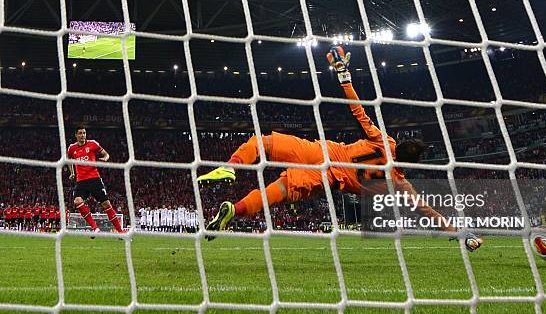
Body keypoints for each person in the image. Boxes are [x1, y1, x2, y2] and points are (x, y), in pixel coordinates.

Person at [198, 46, 482, 251]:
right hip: (327, 178)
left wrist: (343, 75)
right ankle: (234, 211)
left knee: (263, 142)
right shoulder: (400, 184)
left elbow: (358, 111)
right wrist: (462, 233)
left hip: (322, 152)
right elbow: (427, 212)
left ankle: (232, 166)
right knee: (278, 192)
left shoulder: (384, 142)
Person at [67, 127, 124, 234]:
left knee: (106, 205)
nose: (83, 135)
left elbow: (106, 154)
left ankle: (120, 232)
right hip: (81, 181)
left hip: (94, 179)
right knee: (77, 201)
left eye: (84, 133)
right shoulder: (72, 148)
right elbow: (68, 160)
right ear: (76, 135)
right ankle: (95, 228)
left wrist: (105, 158)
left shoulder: (93, 144)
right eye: (80, 133)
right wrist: (72, 172)